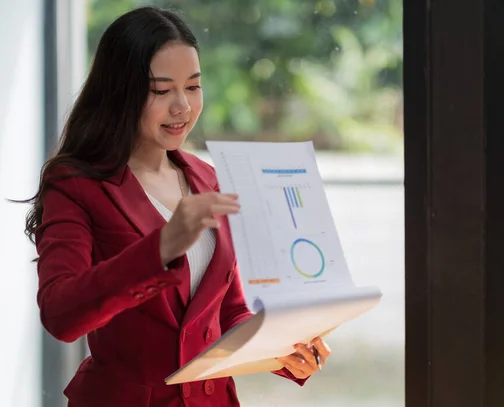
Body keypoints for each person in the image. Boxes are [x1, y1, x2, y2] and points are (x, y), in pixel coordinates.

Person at [24, 6, 331, 407]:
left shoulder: (208, 178)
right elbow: (62, 314)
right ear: (120, 91)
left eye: (193, 86)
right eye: (161, 90)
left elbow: (227, 311)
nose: (182, 107)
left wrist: (283, 350)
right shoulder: (76, 184)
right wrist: (162, 246)